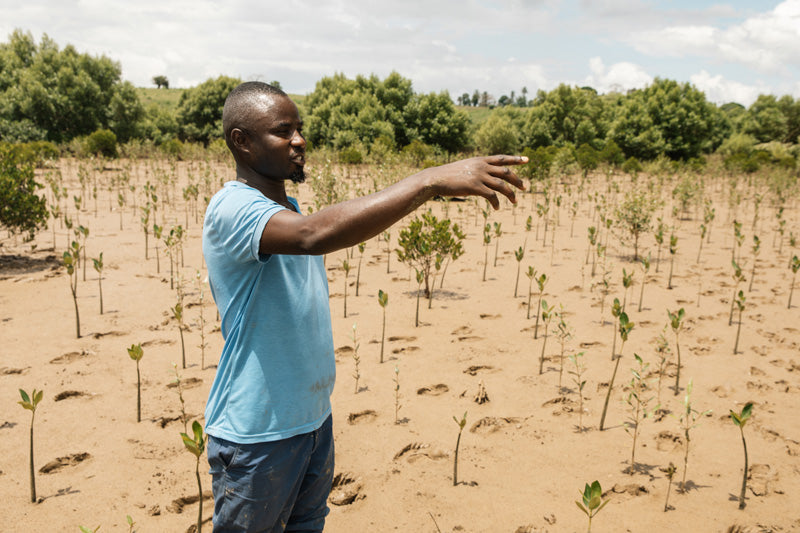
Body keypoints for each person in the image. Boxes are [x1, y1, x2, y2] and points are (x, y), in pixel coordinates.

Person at [202, 80, 526, 532]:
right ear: (243, 142)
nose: (299, 140)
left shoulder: (287, 207)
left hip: (311, 423)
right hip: (257, 434)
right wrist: (428, 181)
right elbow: (314, 235)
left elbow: (318, 226)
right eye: (283, 131)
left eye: (299, 128)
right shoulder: (232, 207)